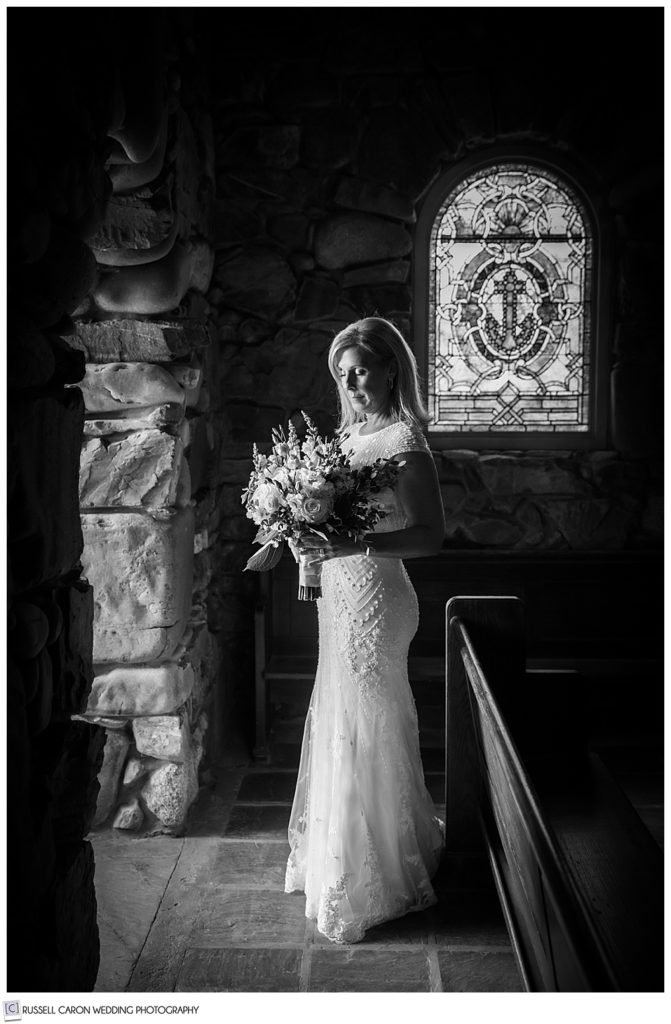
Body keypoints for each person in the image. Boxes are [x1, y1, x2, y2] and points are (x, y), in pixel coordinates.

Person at [284, 316, 446, 943]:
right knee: (339, 715)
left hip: (380, 598)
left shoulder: (405, 439)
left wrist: (352, 544)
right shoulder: (352, 434)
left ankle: (377, 871)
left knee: (370, 719)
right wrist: (309, 555)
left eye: (362, 370)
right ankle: (341, 854)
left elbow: (430, 536)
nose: (351, 382)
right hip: (341, 595)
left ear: (390, 370)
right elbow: (329, 524)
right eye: (342, 373)